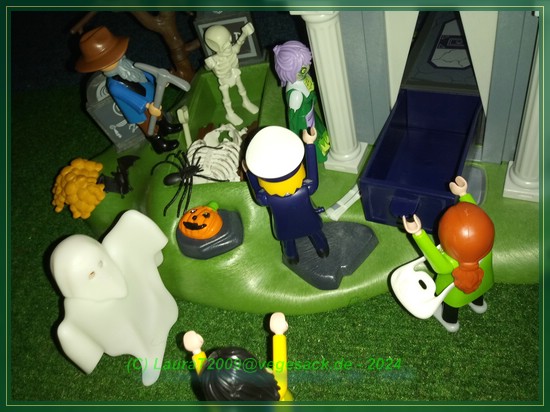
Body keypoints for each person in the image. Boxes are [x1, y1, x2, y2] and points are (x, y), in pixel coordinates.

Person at [402, 176, 495, 332]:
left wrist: (418, 234)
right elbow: (476, 218)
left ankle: (450, 321)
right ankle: (478, 303)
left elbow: (433, 257)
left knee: (451, 307)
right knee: (477, 293)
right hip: (482, 285)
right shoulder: (487, 250)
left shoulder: (450, 263)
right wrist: (464, 194)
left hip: (454, 295)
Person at [75, 26, 181, 153]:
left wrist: (158, 80)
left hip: (150, 96)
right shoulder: (114, 86)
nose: (117, 58)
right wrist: (147, 106)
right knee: (149, 125)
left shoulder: (128, 65)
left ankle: (166, 127)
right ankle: (158, 143)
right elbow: (131, 99)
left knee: (159, 115)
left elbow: (144, 73)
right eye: (110, 59)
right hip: (138, 110)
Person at [244, 126, 329, 264]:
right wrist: (309, 144)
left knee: (289, 241)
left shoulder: (266, 198)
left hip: (284, 227)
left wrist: (250, 173)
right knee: (314, 234)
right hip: (308, 221)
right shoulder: (307, 188)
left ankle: (292, 257)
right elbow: (313, 174)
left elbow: (257, 192)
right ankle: (321, 249)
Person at [183, 312, 293, 401]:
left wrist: (196, 352)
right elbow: (280, 366)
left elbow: (209, 380)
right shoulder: (277, 390)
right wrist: (279, 334)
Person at [273, 40, 330, 162]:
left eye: (307, 64)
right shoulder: (296, 94)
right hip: (303, 122)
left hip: (310, 114)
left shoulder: (304, 78)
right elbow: (293, 119)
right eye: (302, 69)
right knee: (312, 140)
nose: (307, 68)